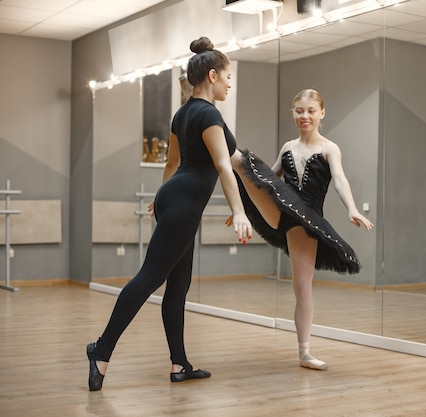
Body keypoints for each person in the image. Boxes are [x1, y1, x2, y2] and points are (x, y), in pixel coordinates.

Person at [86, 36, 253, 391]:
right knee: (149, 279)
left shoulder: (183, 112)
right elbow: (223, 166)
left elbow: (173, 163)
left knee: (178, 286)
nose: (229, 83)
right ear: (211, 75)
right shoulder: (209, 113)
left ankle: (180, 364)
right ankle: (100, 351)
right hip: (183, 204)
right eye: (226, 77)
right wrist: (238, 210)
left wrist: (161, 197)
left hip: (175, 199)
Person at [229, 89, 374, 370]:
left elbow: (341, 180)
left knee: (301, 289)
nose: (304, 116)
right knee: (247, 166)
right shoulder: (287, 147)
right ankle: (220, 140)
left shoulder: (330, 148)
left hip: (306, 221)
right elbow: (266, 180)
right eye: (299, 111)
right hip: (282, 211)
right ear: (293, 113)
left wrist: (352, 208)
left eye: (310, 111)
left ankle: (304, 351)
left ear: (321, 113)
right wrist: (240, 208)